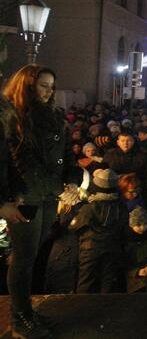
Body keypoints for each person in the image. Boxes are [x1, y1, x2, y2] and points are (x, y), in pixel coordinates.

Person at [1, 65, 65, 337]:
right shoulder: (11, 118)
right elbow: (18, 162)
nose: (49, 91)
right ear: (27, 87)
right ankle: (20, 317)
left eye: (52, 86)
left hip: (48, 195)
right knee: (24, 257)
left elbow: (63, 155)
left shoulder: (53, 115)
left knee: (32, 254)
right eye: (43, 86)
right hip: (25, 195)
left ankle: (26, 310)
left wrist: (71, 179)